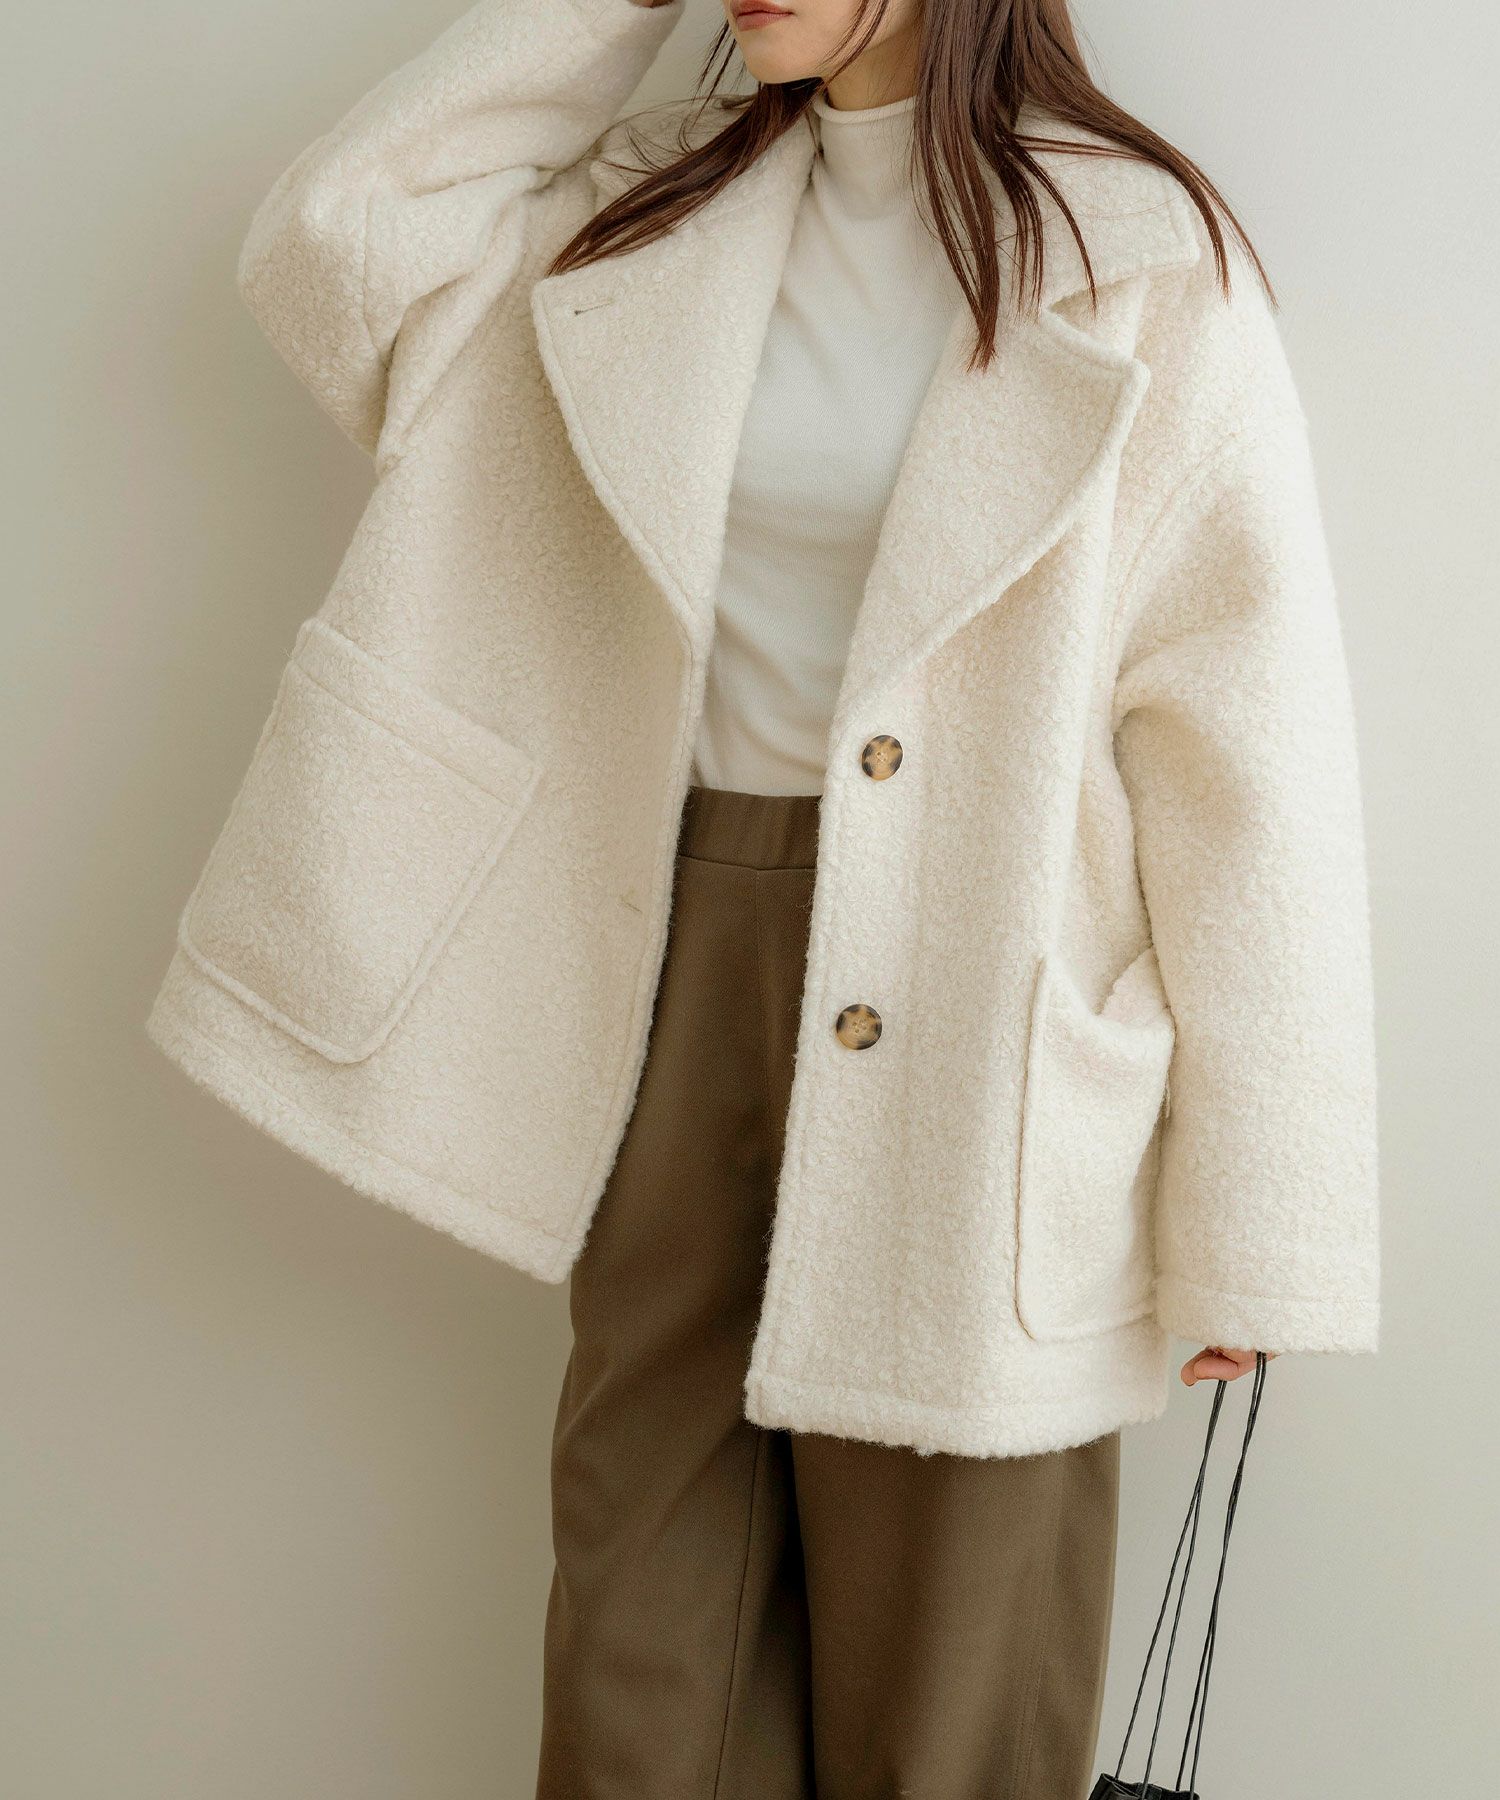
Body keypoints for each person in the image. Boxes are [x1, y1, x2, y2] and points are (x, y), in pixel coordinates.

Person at [146, 0, 1380, 1791]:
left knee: (946, 1699)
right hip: (667, 970)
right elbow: (338, 245)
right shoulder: (643, 212)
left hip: (990, 1021)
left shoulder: (1141, 258)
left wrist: (1259, 1218)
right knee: (639, 1681)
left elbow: (1246, 755)